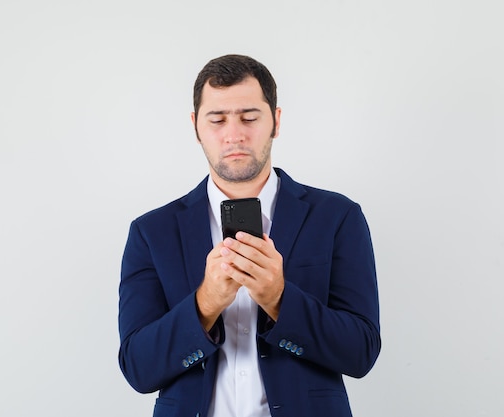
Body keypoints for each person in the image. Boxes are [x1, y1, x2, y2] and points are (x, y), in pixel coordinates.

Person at [118, 54, 381, 417]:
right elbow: (138, 367)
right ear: (196, 126)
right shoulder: (152, 232)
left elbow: (361, 352)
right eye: (218, 119)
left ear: (275, 120)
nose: (234, 134)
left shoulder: (338, 217)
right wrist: (206, 302)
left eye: (249, 117)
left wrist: (279, 299)